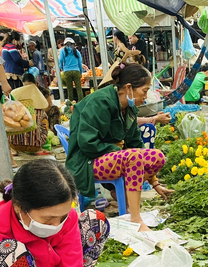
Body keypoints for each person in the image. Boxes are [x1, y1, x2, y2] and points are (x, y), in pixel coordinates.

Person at [66, 62, 171, 230]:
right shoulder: (100, 102)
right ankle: (135, 219)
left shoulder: (128, 108)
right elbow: (87, 143)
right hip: (87, 161)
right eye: (144, 91)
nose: (146, 96)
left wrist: (155, 183)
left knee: (156, 157)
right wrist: (117, 149)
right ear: (129, 88)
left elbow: (137, 144)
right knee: (134, 157)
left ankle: (126, 201)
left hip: (109, 159)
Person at [7, 72, 50, 155]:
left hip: (14, 144)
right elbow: (48, 106)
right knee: (44, 121)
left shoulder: (15, 103)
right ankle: (38, 148)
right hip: (34, 145)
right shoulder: (40, 107)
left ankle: (13, 150)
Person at [59, 37, 84, 102]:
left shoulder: (62, 51)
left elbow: (61, 60)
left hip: (67, 71)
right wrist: (80, 72)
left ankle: (70, 104)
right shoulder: (76, 51)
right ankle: (81, 103)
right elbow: (80, 63)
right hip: (76, 71)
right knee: (79, 89)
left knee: (70, 90)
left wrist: (62, 67)